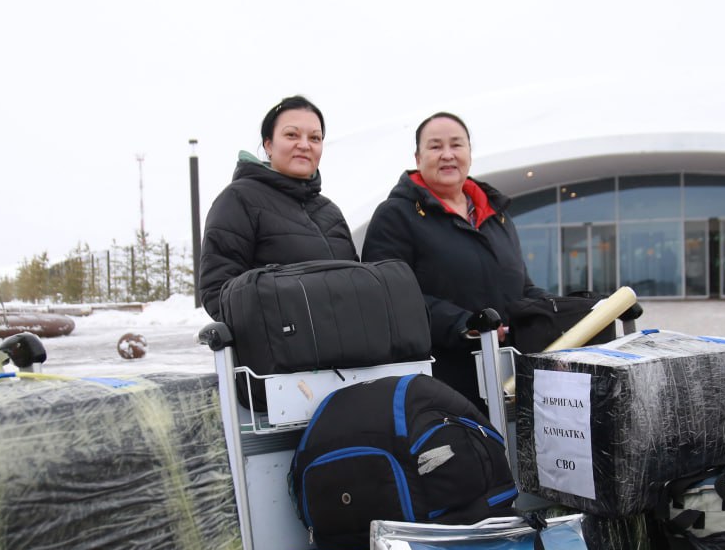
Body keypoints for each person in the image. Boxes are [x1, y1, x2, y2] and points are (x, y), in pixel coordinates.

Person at [362, 111, 551, 406]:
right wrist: (466, 324)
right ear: (417, 157)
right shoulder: (395, 216)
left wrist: (558, 308)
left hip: (508, 380)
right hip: (440, 384)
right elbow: (388, 298)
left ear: (470, 154)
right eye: (435, 146)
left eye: (457, 145)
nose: (447, 154)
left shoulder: (497, 217)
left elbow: (521, 289)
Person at [198, 95, 358, 321]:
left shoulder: (330, 212)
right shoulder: (239, 199)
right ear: (268, 144)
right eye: (291, 134)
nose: (304, 145)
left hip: (346, 349)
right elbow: (217, 291)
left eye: (315, 138)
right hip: (283, 350)